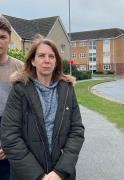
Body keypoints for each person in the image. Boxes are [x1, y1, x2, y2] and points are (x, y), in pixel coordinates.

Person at [1, 36, 85, 180]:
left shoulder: (67, 89)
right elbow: (10, 135)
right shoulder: (20, 90)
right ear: (33, 61)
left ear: (56, 61)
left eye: (51, 56)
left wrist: (60, 171)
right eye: (41, 55)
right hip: (27, 175)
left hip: (62, 175)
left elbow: (77, 131)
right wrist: (38, 176)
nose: (47, 60)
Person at [0, 15, 23, 180]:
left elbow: (26, 109)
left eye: (3, 37)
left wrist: (8, 142)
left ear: (9, 39)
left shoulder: (20, 68)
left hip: (10, 134)